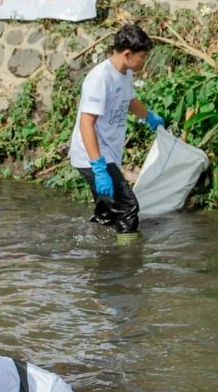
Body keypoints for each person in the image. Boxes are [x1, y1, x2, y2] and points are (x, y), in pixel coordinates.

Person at [68, 24, 167, 245]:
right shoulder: (101, 78)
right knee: (128, 207)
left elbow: (129, 99)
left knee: (108, 211)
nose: (145, 61)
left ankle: (96, 247)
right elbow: (86, 124)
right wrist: (99, 167)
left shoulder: (125, 73)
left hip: (106, 153)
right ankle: (127, 263)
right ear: (127, 54)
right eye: (142, 57)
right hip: (92, 155)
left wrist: (148, 116)